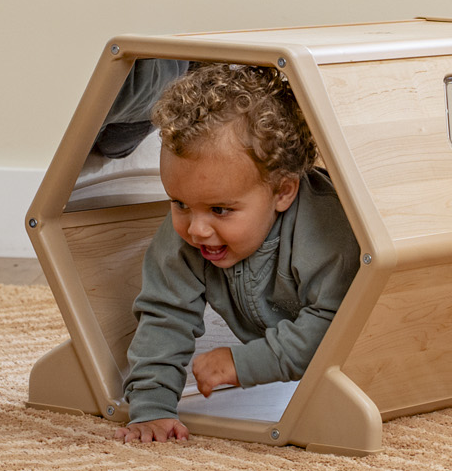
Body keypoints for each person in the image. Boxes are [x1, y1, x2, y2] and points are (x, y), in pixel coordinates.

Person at [114, 64, 359, 443]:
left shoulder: (327, 233)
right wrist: (152, 407)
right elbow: (165, 314)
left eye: (220, 210)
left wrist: (243, 363)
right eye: (178, 203)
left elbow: (337, 328)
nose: (196, 229)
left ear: (283, 192)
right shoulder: (189, 232)